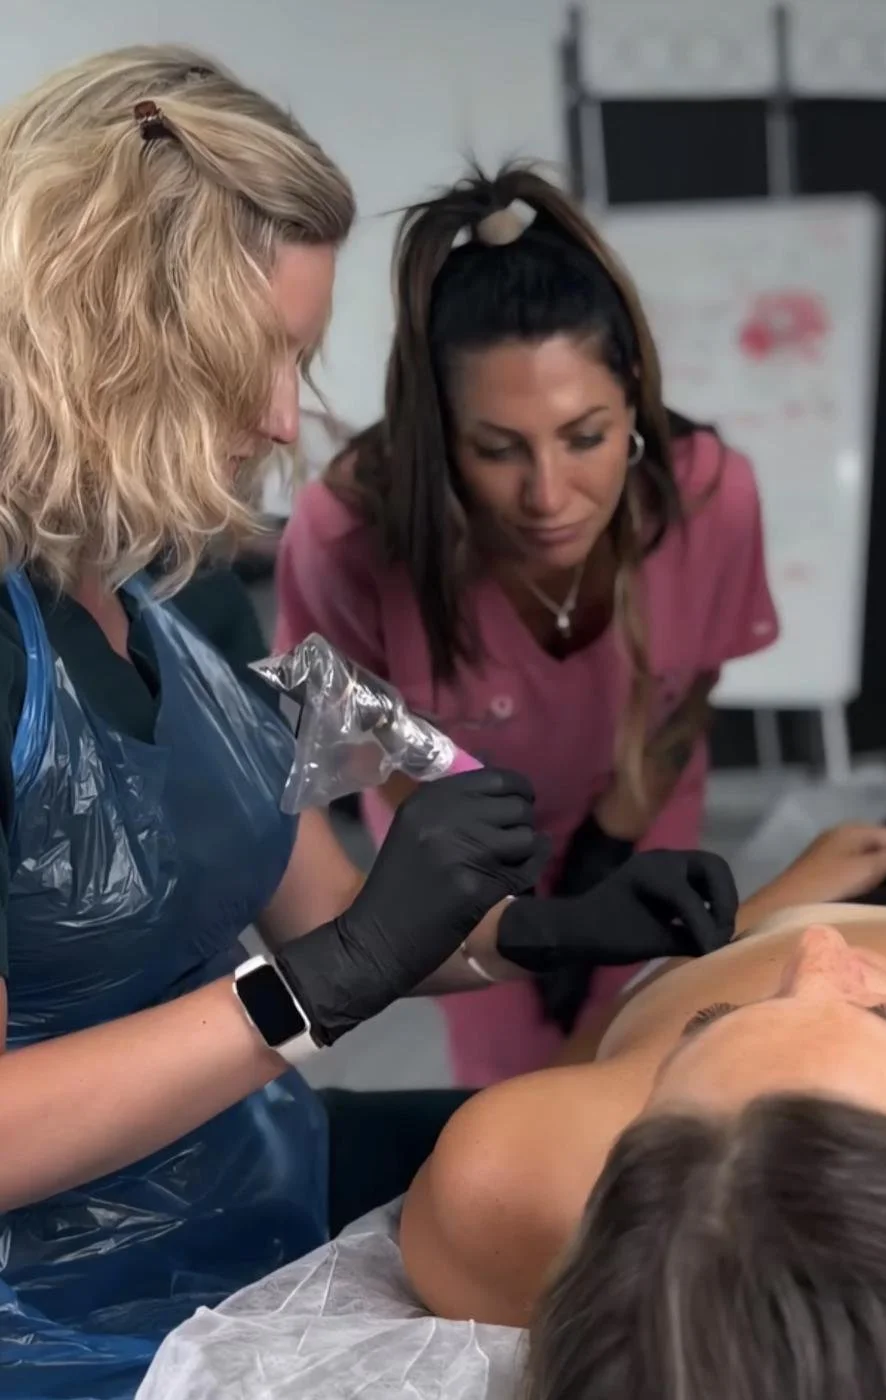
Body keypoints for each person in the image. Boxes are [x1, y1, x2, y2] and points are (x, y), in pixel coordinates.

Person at [0, 47, 740, 1399]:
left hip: (257, 1174)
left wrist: (558, 925)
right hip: (63, 1320)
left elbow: (342, 912)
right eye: (259, 360)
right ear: (105, 329)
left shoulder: (176, 612)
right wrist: (322, 984)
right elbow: (320, 967)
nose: (283, 418)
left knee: (696, 1185)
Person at [275, 163, 779, 1086]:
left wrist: (607, 849)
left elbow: (691, 683)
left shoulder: (710, 493)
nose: (548, 496)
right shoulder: (347, 530)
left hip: (633, 808)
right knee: (518, 1094)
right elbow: (362, 743)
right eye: (497, 450)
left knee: (663, 1058)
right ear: (437, 431)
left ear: (632, 395)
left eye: (585, 437)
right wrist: (521, 906)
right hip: (454, 842)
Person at [398, 822, 886, 1399]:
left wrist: (777, 904)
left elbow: (598, 1054)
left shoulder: (506, 1180)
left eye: (710, 1021)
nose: (818, 944)